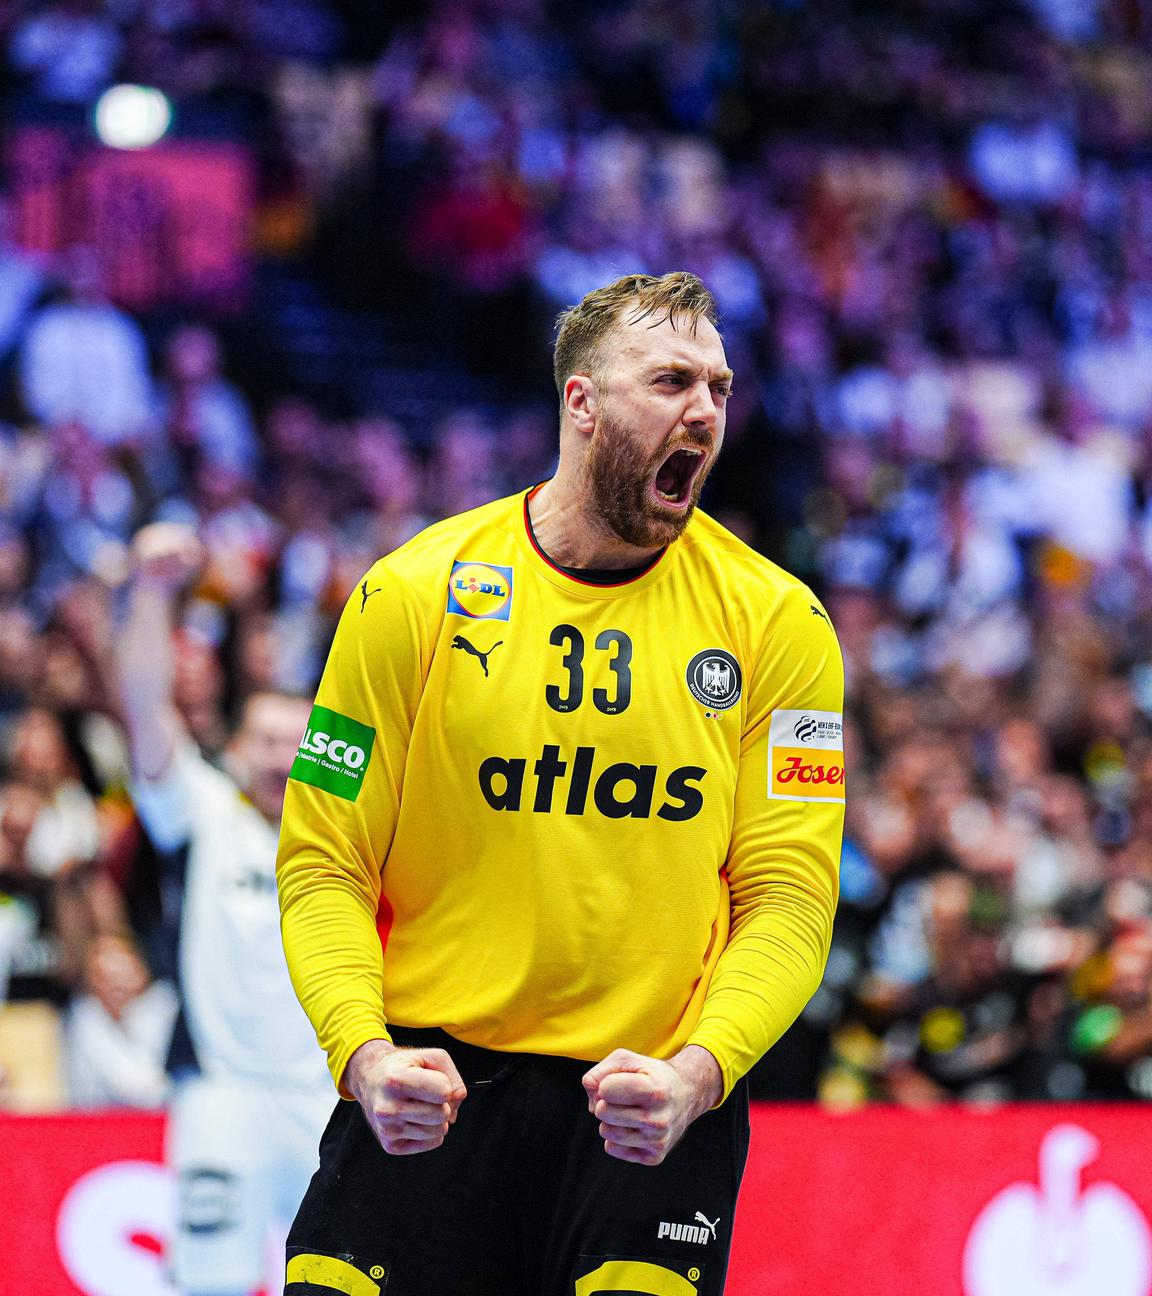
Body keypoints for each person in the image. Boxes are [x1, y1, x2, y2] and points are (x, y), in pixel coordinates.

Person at [276, 272, 845, 1295]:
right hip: (430, 1084)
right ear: (581, 403)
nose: (706, 411)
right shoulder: (413, 594)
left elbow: (791, 898)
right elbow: (324, 865)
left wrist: (701, 1074)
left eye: (719, 385)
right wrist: (361, 1054)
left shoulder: (780, 623)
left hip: (650, 1102)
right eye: (672, 380)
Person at [114, 523, 332, 1296]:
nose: (281, 756)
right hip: (220, 1095)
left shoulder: (349, 834)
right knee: (208, 1284)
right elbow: (145, 708)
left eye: (297, 742)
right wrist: (147, 593)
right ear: (236, 748)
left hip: (329, 1096)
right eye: (266, 740)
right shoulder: (203, 812)